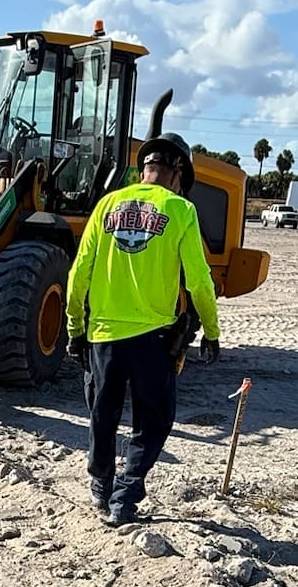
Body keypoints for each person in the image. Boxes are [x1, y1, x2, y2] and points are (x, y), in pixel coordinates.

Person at [65, 131, 221, 527]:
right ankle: (125, 497)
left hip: (103, 335)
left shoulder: (107, 205)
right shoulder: (181, 210)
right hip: (154, 339)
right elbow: (199, 282)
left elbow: (78, 273)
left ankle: (101, 483)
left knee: (103, 413)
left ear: (143, 169)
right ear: (178, 172)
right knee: (153, 421)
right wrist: (212, 331)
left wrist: (75, 328)